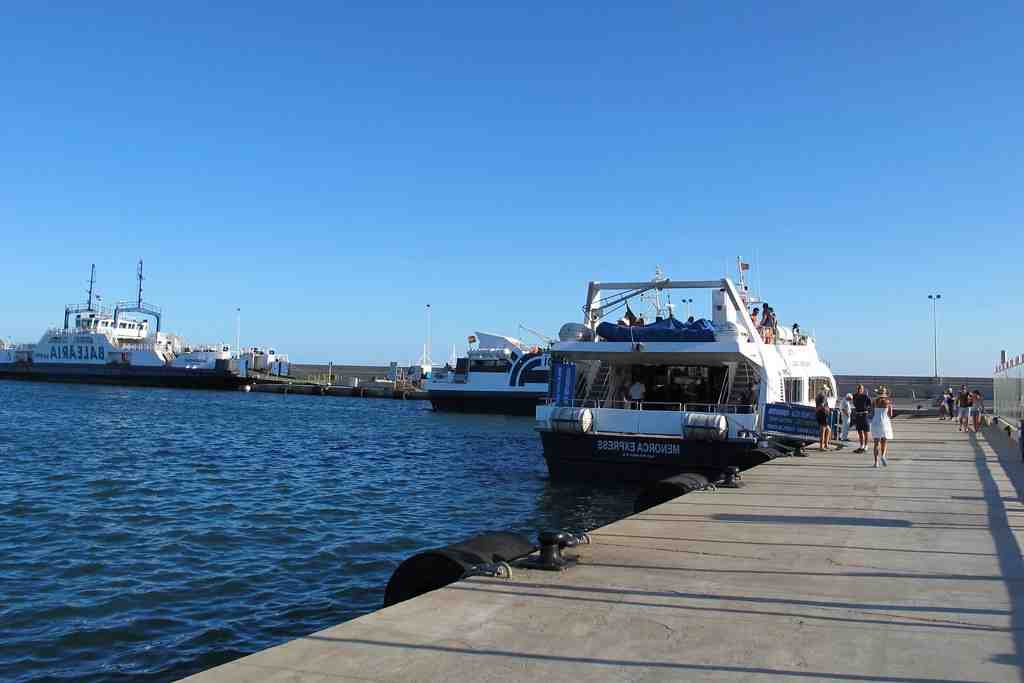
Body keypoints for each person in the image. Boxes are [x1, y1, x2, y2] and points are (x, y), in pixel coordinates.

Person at [870, 386, 894, 467]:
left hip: (876, 422)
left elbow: (872, 412)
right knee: (884, 441)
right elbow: (890, 415)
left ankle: (876, 462)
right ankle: (883, 456)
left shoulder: (874, 402)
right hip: (884, 422)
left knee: (876, 443)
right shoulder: (888, 402)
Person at [852, 384, 872, 453]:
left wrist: (867, 410)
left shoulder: (865, 396)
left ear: (862, 389)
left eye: (860, 388)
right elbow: (854, 404)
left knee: (865, 431)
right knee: (859, 431)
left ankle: (866, 446)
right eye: (858, 388)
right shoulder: (854, 396)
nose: (859, 390)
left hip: (864, 415)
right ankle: (861, 445)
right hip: (858, 415)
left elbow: (870, 404)